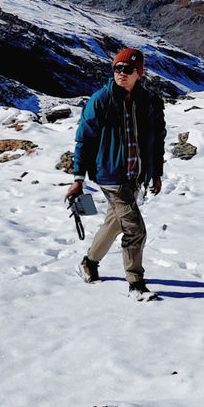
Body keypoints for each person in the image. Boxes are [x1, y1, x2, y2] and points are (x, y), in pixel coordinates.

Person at [64, 47, 165, 300]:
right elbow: (83, 140)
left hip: (135, 176)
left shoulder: (149, 101)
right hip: (110, 175)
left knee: (115, 222)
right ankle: (135, 283)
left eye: (128, 69)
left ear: (139, 73)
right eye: (117, 68)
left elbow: (157, 140)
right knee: (135, 229)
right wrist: (78, 179)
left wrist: (156, 173)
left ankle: (89, 262)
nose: (121, 73)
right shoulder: (101, 100)